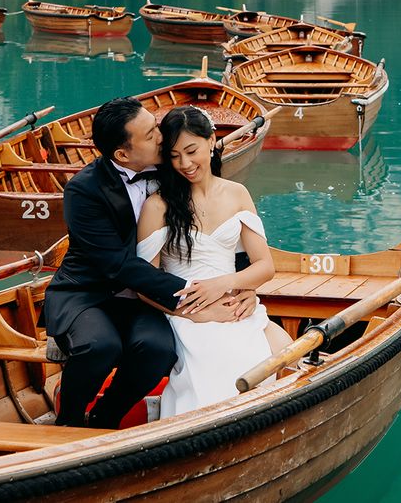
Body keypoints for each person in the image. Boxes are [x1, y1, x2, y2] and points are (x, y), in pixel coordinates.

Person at [43, 97, 257, 429]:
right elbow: (118, 265)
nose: (161, 137)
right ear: (123, 155)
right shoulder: (84, 191)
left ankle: (105, 418)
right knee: (101, 345)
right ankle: (68, 421)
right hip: (90, 292)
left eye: (156, 126)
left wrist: (243, 285)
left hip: (146, 299)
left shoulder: (174, 166)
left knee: (158, 349)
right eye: (150, 134)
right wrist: (195, 297)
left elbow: (222, 222)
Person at [137, 105, 292, 416]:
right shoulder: (158, 205)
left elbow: (264, 265)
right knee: (220, 364)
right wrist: (197, 313)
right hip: (185, 310)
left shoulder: (237, 194)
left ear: (211, 141)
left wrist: (231, 285)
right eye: (174, 155)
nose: (185, 163)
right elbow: (144, 283)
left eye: (191, 150)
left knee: (288, 351)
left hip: (234, 302)